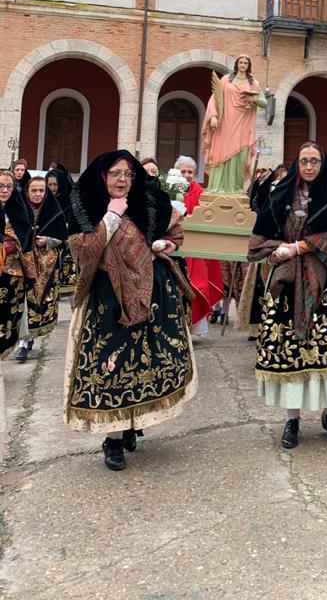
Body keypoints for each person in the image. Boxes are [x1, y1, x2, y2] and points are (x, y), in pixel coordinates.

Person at [65, 150, 197, 471]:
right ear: (103, 177)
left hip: (152, 295)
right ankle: (112, 439)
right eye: (115, 173)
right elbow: (83, 254)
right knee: (110, 365)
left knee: (143, 363)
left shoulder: (148, 202)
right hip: (107, 298)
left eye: (128, 174)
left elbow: (175, 231)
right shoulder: (88, 205)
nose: (122, 180)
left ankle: (132, 423)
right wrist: (111, 217)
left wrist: (168, 245)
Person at [237, 142, 327, 450]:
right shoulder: (281, 194)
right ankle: (292, 419)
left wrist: (299, 247)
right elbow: (262, 235)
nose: (309, 166)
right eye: (304, 161)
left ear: (322, 164)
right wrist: (274, 250)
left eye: (314, 161)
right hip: (288, 282)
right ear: (298, 163)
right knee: (289, 352)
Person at [4, 176, 68, 362]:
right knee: (21, 301)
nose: (38, 194)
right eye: (34, 190)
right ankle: (23, 343)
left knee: (37, 303)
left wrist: (47, 241)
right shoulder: (17, 208)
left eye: (41, 190)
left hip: (45, 266)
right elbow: (10, 232)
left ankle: (29, 337)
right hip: (20, 262)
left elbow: (64, 239)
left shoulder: (54, 210)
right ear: (27, 192)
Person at [201, 55, 266, 193]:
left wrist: (254, 99)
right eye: (240, 62)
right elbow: (215, 98)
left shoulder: (253, 83)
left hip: (243, 123)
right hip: (225, 122)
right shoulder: (226, 80)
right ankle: (217, 187)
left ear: (249, 66)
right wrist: (213, 116)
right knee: (219, 152)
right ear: (237, 64)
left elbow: (264, 102)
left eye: (246, 63)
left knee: (240, 155)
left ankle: (235, 188)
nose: (243, 65)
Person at [176, 155, 225, 337]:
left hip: (194, 246)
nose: (187, 175)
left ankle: (194, 327)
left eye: (190, 172)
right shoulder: (169, 189)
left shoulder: (201, 193)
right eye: (183, 171)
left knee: (197, 285)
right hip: (175, 245)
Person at [0, 171, 25, 359]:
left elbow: (26, 235)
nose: (4, 190)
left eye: (9, 186)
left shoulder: (18, 209)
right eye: (0, 186)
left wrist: (15, 245)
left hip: (11, 274)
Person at [46, 164, 76, 295]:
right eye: (50, 184)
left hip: (66, 249)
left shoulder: (70, 202)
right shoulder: (44, 200)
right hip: (48, 248)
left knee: (68, 290)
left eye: (55, 185)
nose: (52, 188)